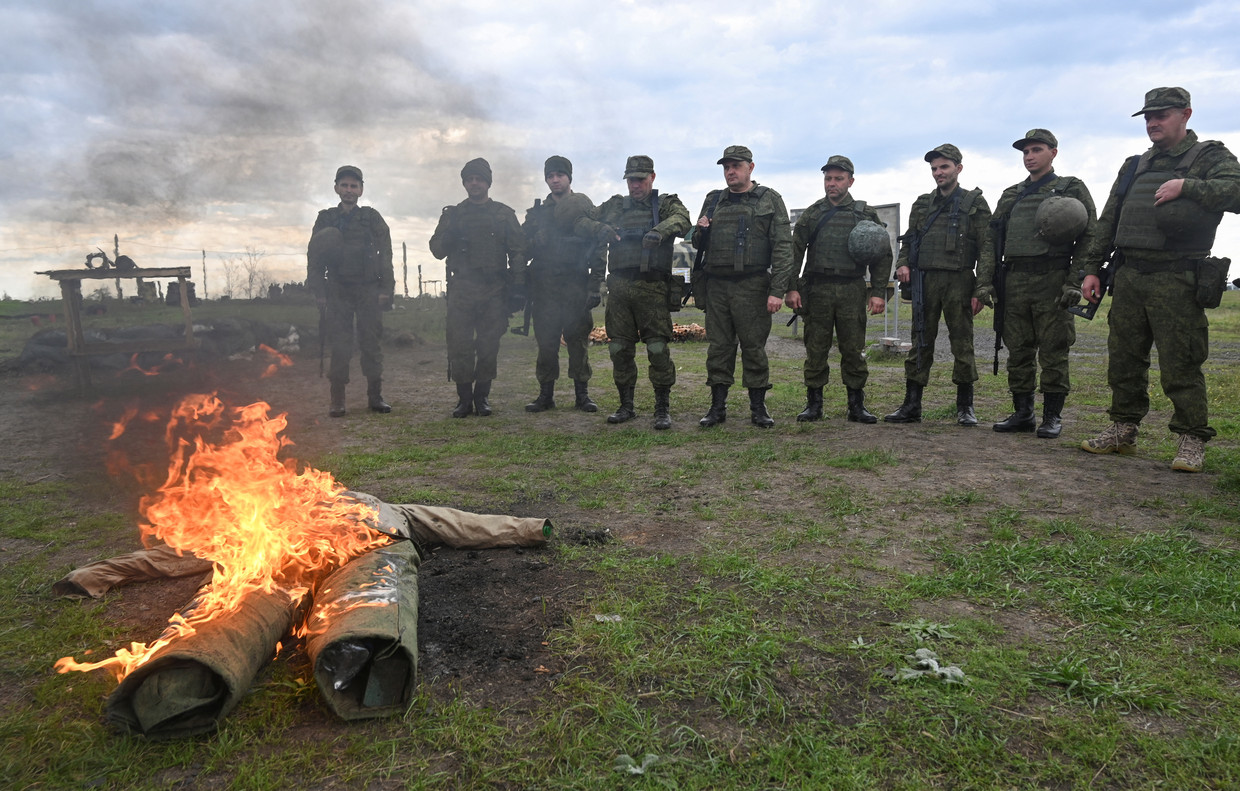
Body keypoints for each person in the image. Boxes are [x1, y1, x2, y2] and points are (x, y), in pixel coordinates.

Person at [1079, 87, 1240, 472]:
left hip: (1178, 276)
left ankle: (1191, 439)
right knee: (1124, 358)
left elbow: (1236, 191)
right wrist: (1090, 267)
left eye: (1162, 115)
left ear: (1185, 114)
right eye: (1148, 117)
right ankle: (1124, 429)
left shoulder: (1209, 157)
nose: (1153, 122)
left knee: (1181, 361)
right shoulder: (1134, 165)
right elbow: (1109, 219)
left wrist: (1188, 186)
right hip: (1130, 274)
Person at [986, 130, 1097, 438]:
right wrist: (986, 281)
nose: (1029, 156)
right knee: (1018, 349)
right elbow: (991, 239)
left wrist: (1074, 280)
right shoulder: (1011, 194)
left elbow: (1090, 235)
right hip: (1015, 279)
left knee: (1053, 349)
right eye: (1025, 151)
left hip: (1053, 278)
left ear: (1053, 153)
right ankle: (1022, 414)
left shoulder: (1071, 188)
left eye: (1036, 149)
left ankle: (1052, 417)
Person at [885, 144, 992, 426]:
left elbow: (987, 249)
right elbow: (909, 240)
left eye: (944, 167)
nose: (938, 173)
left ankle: (965, 406)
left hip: (959, 280)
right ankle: (912, 404)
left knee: (962, 343)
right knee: (920, 340)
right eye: (934, 168)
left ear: (958, 168)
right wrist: (903, 263)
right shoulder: (922, 204)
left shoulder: (974, 203)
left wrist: (982, 288)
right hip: (925, 280)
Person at [692, 145, 794, 428]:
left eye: (736, 166)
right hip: (717, 286)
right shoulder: (713, 200)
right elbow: (697, 242)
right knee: (719, 348)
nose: (730, 171)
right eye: (726, 167)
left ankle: (758, 408)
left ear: (751, 167)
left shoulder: (769, 199)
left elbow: (783, 247)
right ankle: (717, 407)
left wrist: (777, 290)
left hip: (753, 285)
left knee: (753, 348)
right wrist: (700, 230)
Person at [586, 155, 691, 429]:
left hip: (652, 288)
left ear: (652, 177)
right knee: (619, 348)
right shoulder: (614, 206)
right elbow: (582, 221)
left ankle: (662, 408)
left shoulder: (665, 204)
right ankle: (626, 406)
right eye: (631, 180)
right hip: (619, 287)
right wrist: (601, 229)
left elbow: (684, 220)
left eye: (641, 180)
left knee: (657, 348)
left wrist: (659, 231)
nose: (635, 186)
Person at [784, 155, 891, 423]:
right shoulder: (813, 213)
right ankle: (814, 405)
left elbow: (882, 253)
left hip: (851, 289)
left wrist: (878, 291)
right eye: (828, 178)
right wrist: (792, 287)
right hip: (817, 289)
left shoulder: (864, 214)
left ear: (850, 181)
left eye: (838, 179)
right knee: (815, 348)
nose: (832, 184)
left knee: (853, 348)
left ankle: (856, 405)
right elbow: (794, 252)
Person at [429, 158, 525, 418]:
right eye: (469, 179)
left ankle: (482, 397)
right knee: (459, 345)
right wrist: (451, 233)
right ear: (464, 183)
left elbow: (517, 251)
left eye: (479, 179)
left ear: (488, 183)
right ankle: (464, 399)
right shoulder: (454, 214)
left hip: (493, 290)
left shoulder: (503, 214)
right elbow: (437, 249)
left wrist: (518, 287)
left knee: (488, 345)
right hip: (461, 289)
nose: (474, 183)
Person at [307, 165, 394, 418]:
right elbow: (314, 256)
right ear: (336, 188)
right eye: (344, 185)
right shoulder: (325, 219)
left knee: (371, 342)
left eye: (353, 186)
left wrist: (386, 289)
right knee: (340, 344)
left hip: (368, 288)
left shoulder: (371, 218)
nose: (349, 190)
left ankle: (375, 396)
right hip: (338, 289)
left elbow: (385, 254)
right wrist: (319, 291)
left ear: (361, 190)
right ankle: (337, 398)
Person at [521, 155, 603, 413]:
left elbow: (599, 247)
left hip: (575, 285)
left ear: (569, 177)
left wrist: (595, 285)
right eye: (550, 176)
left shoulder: (584, 209)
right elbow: (522, 249)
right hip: (545, 289)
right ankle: (546, 395)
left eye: (560, 175)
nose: (555, 180)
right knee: (546, 343)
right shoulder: (537, 215)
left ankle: (582, 395)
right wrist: (537, 242)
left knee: (577, 342)